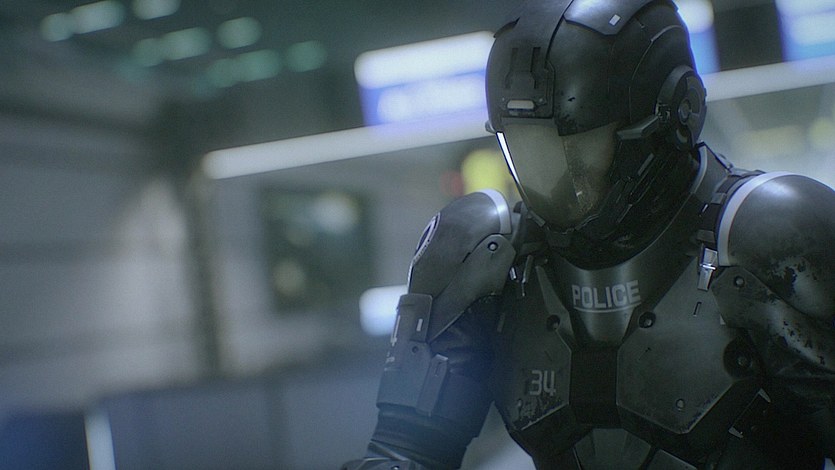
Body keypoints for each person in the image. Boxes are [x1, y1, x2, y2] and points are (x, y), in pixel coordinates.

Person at [343, 0, 835, 468]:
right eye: (529, 151)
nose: (556, 182)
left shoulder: (774, 234)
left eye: (580, 150)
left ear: (673, 119)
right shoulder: (484, 255)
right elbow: (405, 451)